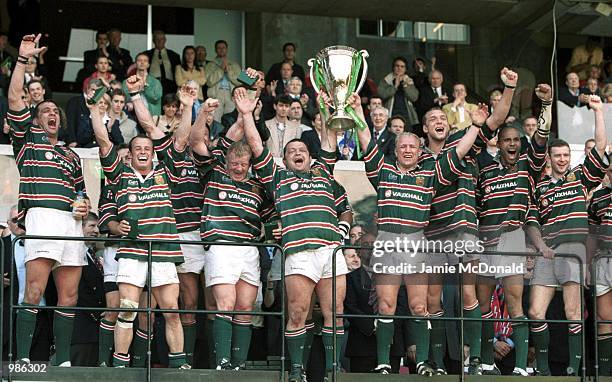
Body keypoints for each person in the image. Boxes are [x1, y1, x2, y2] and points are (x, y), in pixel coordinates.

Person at [352, 83, 482, 375]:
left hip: (416, 243)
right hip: (387, 243)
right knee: (385, 306)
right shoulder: (382, 170)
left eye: (412, 146)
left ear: (419, 149)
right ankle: (384, 363)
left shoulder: (430, 173)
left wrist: (475, 126)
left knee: (418, 305)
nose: (408, 150)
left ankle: (423, 361)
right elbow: (364, 138)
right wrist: (356, 108)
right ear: (395, 150)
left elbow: (459, 151)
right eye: (403, 147)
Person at [243, 76, 353, 381]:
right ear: (285, 158)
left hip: (331, 251)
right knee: (297, 313)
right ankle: (296, 370)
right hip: (299, 252)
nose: (297, 152)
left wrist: (324, 105)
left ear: (310, 155)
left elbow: (330, 139)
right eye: (291, 151)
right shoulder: (277, 179)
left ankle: (333, 371)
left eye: (301, 149)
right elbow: (254, 145)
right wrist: (245, 114)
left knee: (335, 313)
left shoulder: (324, 174)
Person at [89, 74, 194, 369]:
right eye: (138, 149)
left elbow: (182, 139)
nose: (144, 151)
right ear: (131, 155)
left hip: (163, 249)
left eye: (148, 148)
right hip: (132, 251)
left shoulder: (166, 173)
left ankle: (178, 363)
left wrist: (187, 107)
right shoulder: (119, 176)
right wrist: (95, 113)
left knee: (171, 311)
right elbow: (103, 141)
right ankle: (120, 362)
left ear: (153, 153)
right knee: (128, 308)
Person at [423, 68, 518, 375]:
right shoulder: (421, 159)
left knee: (469, 295)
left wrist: (509, 87)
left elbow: (495, 119)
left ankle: (477, 358)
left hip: (465, 233)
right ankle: (436, 363)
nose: (439, 122)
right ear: (425, 128)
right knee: (432, 299)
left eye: (443, 118)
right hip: (435, 235)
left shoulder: (463, 147)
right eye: (433, 119)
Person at [7, 34, 88, 366]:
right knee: (34, 292)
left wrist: (83, 205)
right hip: (42, 215)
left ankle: (65, 361)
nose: (52, 113)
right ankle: (23, 359)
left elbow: (82, 192)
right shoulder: (28, 140)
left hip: (72, 222)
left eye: (55, 110)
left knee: (68, 297)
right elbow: (14, 98)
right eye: (45, 110)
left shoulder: (71, 154)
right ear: (37, 118)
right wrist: (23, 60)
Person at [129, 76, 216, 366]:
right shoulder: (168, 149)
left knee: (215, 304)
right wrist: (136, 95)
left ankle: (216, 362)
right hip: (177, 234)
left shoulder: (208, 155)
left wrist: (198, 109)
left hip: (207, 235)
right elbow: (149, 126)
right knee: (174, 304)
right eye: (183, 117)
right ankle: (167, 360)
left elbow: (195, 137)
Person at [189, 88, 274, 370]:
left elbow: (271, 217)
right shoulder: (214, 175)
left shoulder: (257, 187)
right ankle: (223, 362)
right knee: (225, 304)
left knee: (247, 308)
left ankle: (239, 363)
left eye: (243, 164)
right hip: (221, 246)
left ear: (250, 165)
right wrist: (204, 112)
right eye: (234, 163)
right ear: (227, 162)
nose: (238, 168)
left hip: (249, 249)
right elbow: (196, 142)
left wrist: (274, 231)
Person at [526, 95, 608, 377]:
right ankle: (545, 367)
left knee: (574, 312)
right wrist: (540, 247)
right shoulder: (539, 189)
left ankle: (574, 367)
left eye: (565, 156)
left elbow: (599, 148)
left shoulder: (580, 178)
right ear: (549, 159)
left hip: (573, 249)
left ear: (569, 158)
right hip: (547, 253)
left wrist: (598, 111)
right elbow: (532, 223)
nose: (562, 159)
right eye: (557, 155)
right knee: (536, 312)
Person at [476, 84, 552, 377]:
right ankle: (485, 361)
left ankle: (521, 364)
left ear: (520, 144)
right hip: (486, 239)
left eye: (515, 140)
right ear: (498, 143)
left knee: (513, 302)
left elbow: (542, 139)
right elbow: (479, 206)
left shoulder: (527, 167)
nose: (511, 144)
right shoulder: (486, 172)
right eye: (505, 139)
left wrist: (544, 106)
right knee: (483, 304)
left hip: (511, 238)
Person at [96, 144, 131, 367]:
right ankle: (102, 364)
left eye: (130, 156)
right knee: (113, 308)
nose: (127, 160)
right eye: (123, 158)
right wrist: (116, 226)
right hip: (115, 249)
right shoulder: (109, 188)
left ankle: (136, 365)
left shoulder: (149, 181)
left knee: (143, 313)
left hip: (141, 252)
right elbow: (104, 219)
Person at [70, 213, 104, 367]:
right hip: (81, 330)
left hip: (95, 331)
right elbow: (79, 289)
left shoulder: (93, 254)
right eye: (91, 226)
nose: (96, 230)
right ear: (80, 228)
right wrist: (99, 311)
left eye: (97, 226)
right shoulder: (74, 253)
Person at [588, 160, 612, 377]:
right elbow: (592, 235)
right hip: (603, 259)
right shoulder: (598, 197)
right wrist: (587, 265)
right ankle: (605, 374)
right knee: (604, 318)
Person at [377, 57, 419, 128]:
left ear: (405, 69)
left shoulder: (409, 81)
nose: (399, 68)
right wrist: (395, 86)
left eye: (402, 66)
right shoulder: (386, 80)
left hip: (406, 115)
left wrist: (405, 85)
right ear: (393, 67)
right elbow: (382, 95)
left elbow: (414, 97)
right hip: (390, 114)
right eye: (397, 66)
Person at [205, 40, 241, 122]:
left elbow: (239, 81)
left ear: (227, 49)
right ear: (215, 50)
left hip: (231, 94)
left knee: (230, 120)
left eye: (223, 48)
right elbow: (208, 82)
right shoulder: (210, 64)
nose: (221, 50)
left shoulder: (235, 64)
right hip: (216, 94)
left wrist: (229, 71)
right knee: (215, 119)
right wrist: (220, 69)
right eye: (219, 48)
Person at [145, 30, 181, 96]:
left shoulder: (174, 56)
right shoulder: (146, 55)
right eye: (157, 39)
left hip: (170, 86)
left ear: (165, 40)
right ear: (153, 40)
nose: (159, 41)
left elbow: (178, 73)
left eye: (161, 39)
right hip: (152, 85)